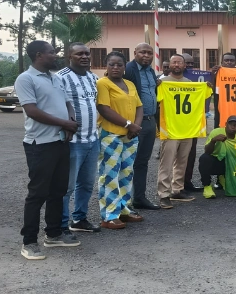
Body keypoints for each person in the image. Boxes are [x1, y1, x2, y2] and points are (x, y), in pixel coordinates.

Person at [15, 40, 80, 259]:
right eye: (52, 53)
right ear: (39, 55)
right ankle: (29, 242)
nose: (56, 56)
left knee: (58, 190)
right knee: (37, 193)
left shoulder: (57, 78)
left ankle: (53, 234)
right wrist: (63, 124)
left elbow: (68, 102)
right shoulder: (26, 79)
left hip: (61, 141)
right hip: (39, 145)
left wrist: (70, 121)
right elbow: (32, 111)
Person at [96, 51, 144, 229]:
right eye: (112, 64)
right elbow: (104, 108)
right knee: (109, 175)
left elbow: (139, 106)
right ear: (106, 66)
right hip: (110, 135)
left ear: (125, 67)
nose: (115, 67)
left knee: (126, 174)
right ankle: (109, 215)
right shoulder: (103, 84)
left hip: (130, 136)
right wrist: (128, 124)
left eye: (119, 64)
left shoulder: (129, 84)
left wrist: (135, 127)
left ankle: (124, 209)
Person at [58, 42, 101, 233]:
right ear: (70, 57)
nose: (84, 57)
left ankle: (80, 219)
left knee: (87, 184)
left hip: (92, 139)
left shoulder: (93, 78)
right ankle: (60, 224)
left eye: (87, 54)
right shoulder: (60, 78)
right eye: (79, 54)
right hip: (73, 142)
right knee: (66, 186)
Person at [157, 54, 201, 208]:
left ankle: (177, 189)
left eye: (179, 62)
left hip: (186, 129)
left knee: (182, 161)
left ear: (184, 66)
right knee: (166, 163)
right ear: (169, 65)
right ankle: (163, 194)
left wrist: (206, 88)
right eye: (174, 62)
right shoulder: (162, 82)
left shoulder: (189, 83)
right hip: (170, 129)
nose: (176, 65)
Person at [124, 43, 160, 210]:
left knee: (142, 162)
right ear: (135, 52)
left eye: (149, 53)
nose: (146, 56)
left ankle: (139, 197)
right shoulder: (129, 69)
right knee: (127, 162)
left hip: (150, 121)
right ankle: (123, 202)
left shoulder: (150, 71)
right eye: (142, 52)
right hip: (134, 123)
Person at [199, 115, 236, 198]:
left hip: (229, 164)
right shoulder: (216, 132)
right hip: (214, 161)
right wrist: (213, 141)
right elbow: (207, 151)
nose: (233, 127)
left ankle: (223, 178)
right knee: (204, 158)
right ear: (226, 124)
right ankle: (207, 186)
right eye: (231, 124)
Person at [180, 52, 202, 193]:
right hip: (176, 123)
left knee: (191, 154)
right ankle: (177, 184)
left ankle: (187, 182)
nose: (188, 65)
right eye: (186, 63)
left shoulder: (198, 78)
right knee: (177, 156)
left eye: (191, 63)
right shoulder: (167, 80)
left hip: (193, 122)